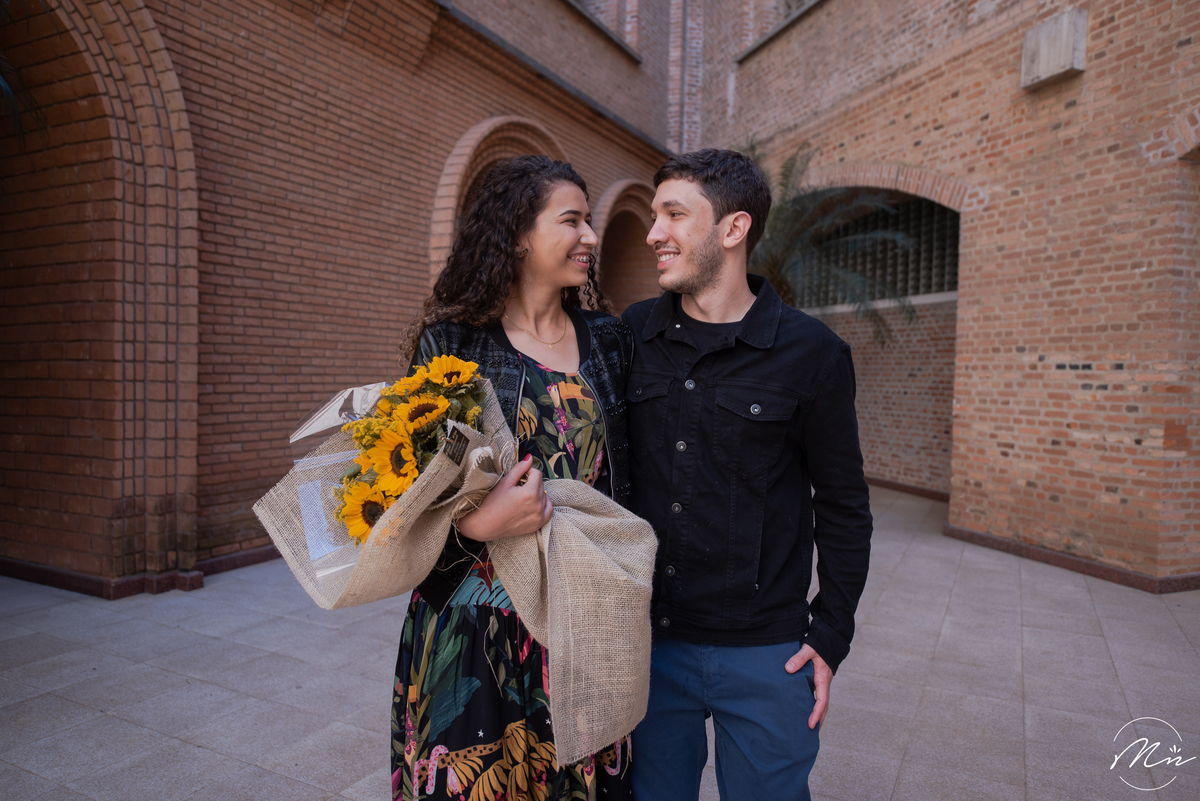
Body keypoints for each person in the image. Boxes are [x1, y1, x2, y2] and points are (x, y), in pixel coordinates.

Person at [622, 148, 873, 800]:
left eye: (674, 214)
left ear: (733, 229)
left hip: (766, 653)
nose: (654, 232)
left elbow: (843, 503)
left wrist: (830, 634)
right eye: (655, 215)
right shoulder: (631, 334)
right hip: (645, 644)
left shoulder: (812, 353)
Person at [390, 155, 636, 801]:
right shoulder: (451, 345)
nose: (590, 237)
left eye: (591, 222)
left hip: (580, 614)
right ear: (519, 233)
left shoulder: (611, 342)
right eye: (573, 220)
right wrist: (475, 523)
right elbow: (408, 493)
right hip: (473, 622)